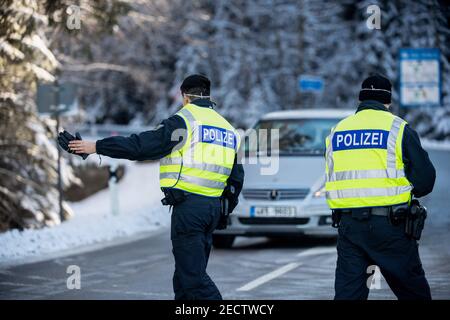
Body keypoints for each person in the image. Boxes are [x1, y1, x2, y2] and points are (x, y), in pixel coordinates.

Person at [59, 74, 244, 300]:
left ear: (185, 97)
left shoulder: (185, 120)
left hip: (189, 211)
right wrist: (223, 210)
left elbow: (141, 146)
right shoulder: (227, 129)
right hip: (212, 210)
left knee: (193, 280)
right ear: (208, 95)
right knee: (185, 280)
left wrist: (94, 146)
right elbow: (236, 178)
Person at [325, 74, 436, 300]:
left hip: (349, 228)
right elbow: (425, 179)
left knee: (349, 295)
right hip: (391, 227)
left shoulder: (338, 130)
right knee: (413, 293)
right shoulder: (398, 128)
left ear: (361, 99)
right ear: (388, 101)